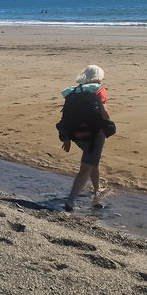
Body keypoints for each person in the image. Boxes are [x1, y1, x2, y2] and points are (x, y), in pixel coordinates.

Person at [57, 64, 114, 211]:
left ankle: (97, 189)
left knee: (92, 160)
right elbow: (104, 112)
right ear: (99, 77)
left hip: (76, 134)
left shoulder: (72, 92)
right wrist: (110, 125)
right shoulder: (99, 90)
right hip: (95, 133)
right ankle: (71, 200)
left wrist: (66, 138)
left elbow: (66, 116)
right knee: (86, 167)